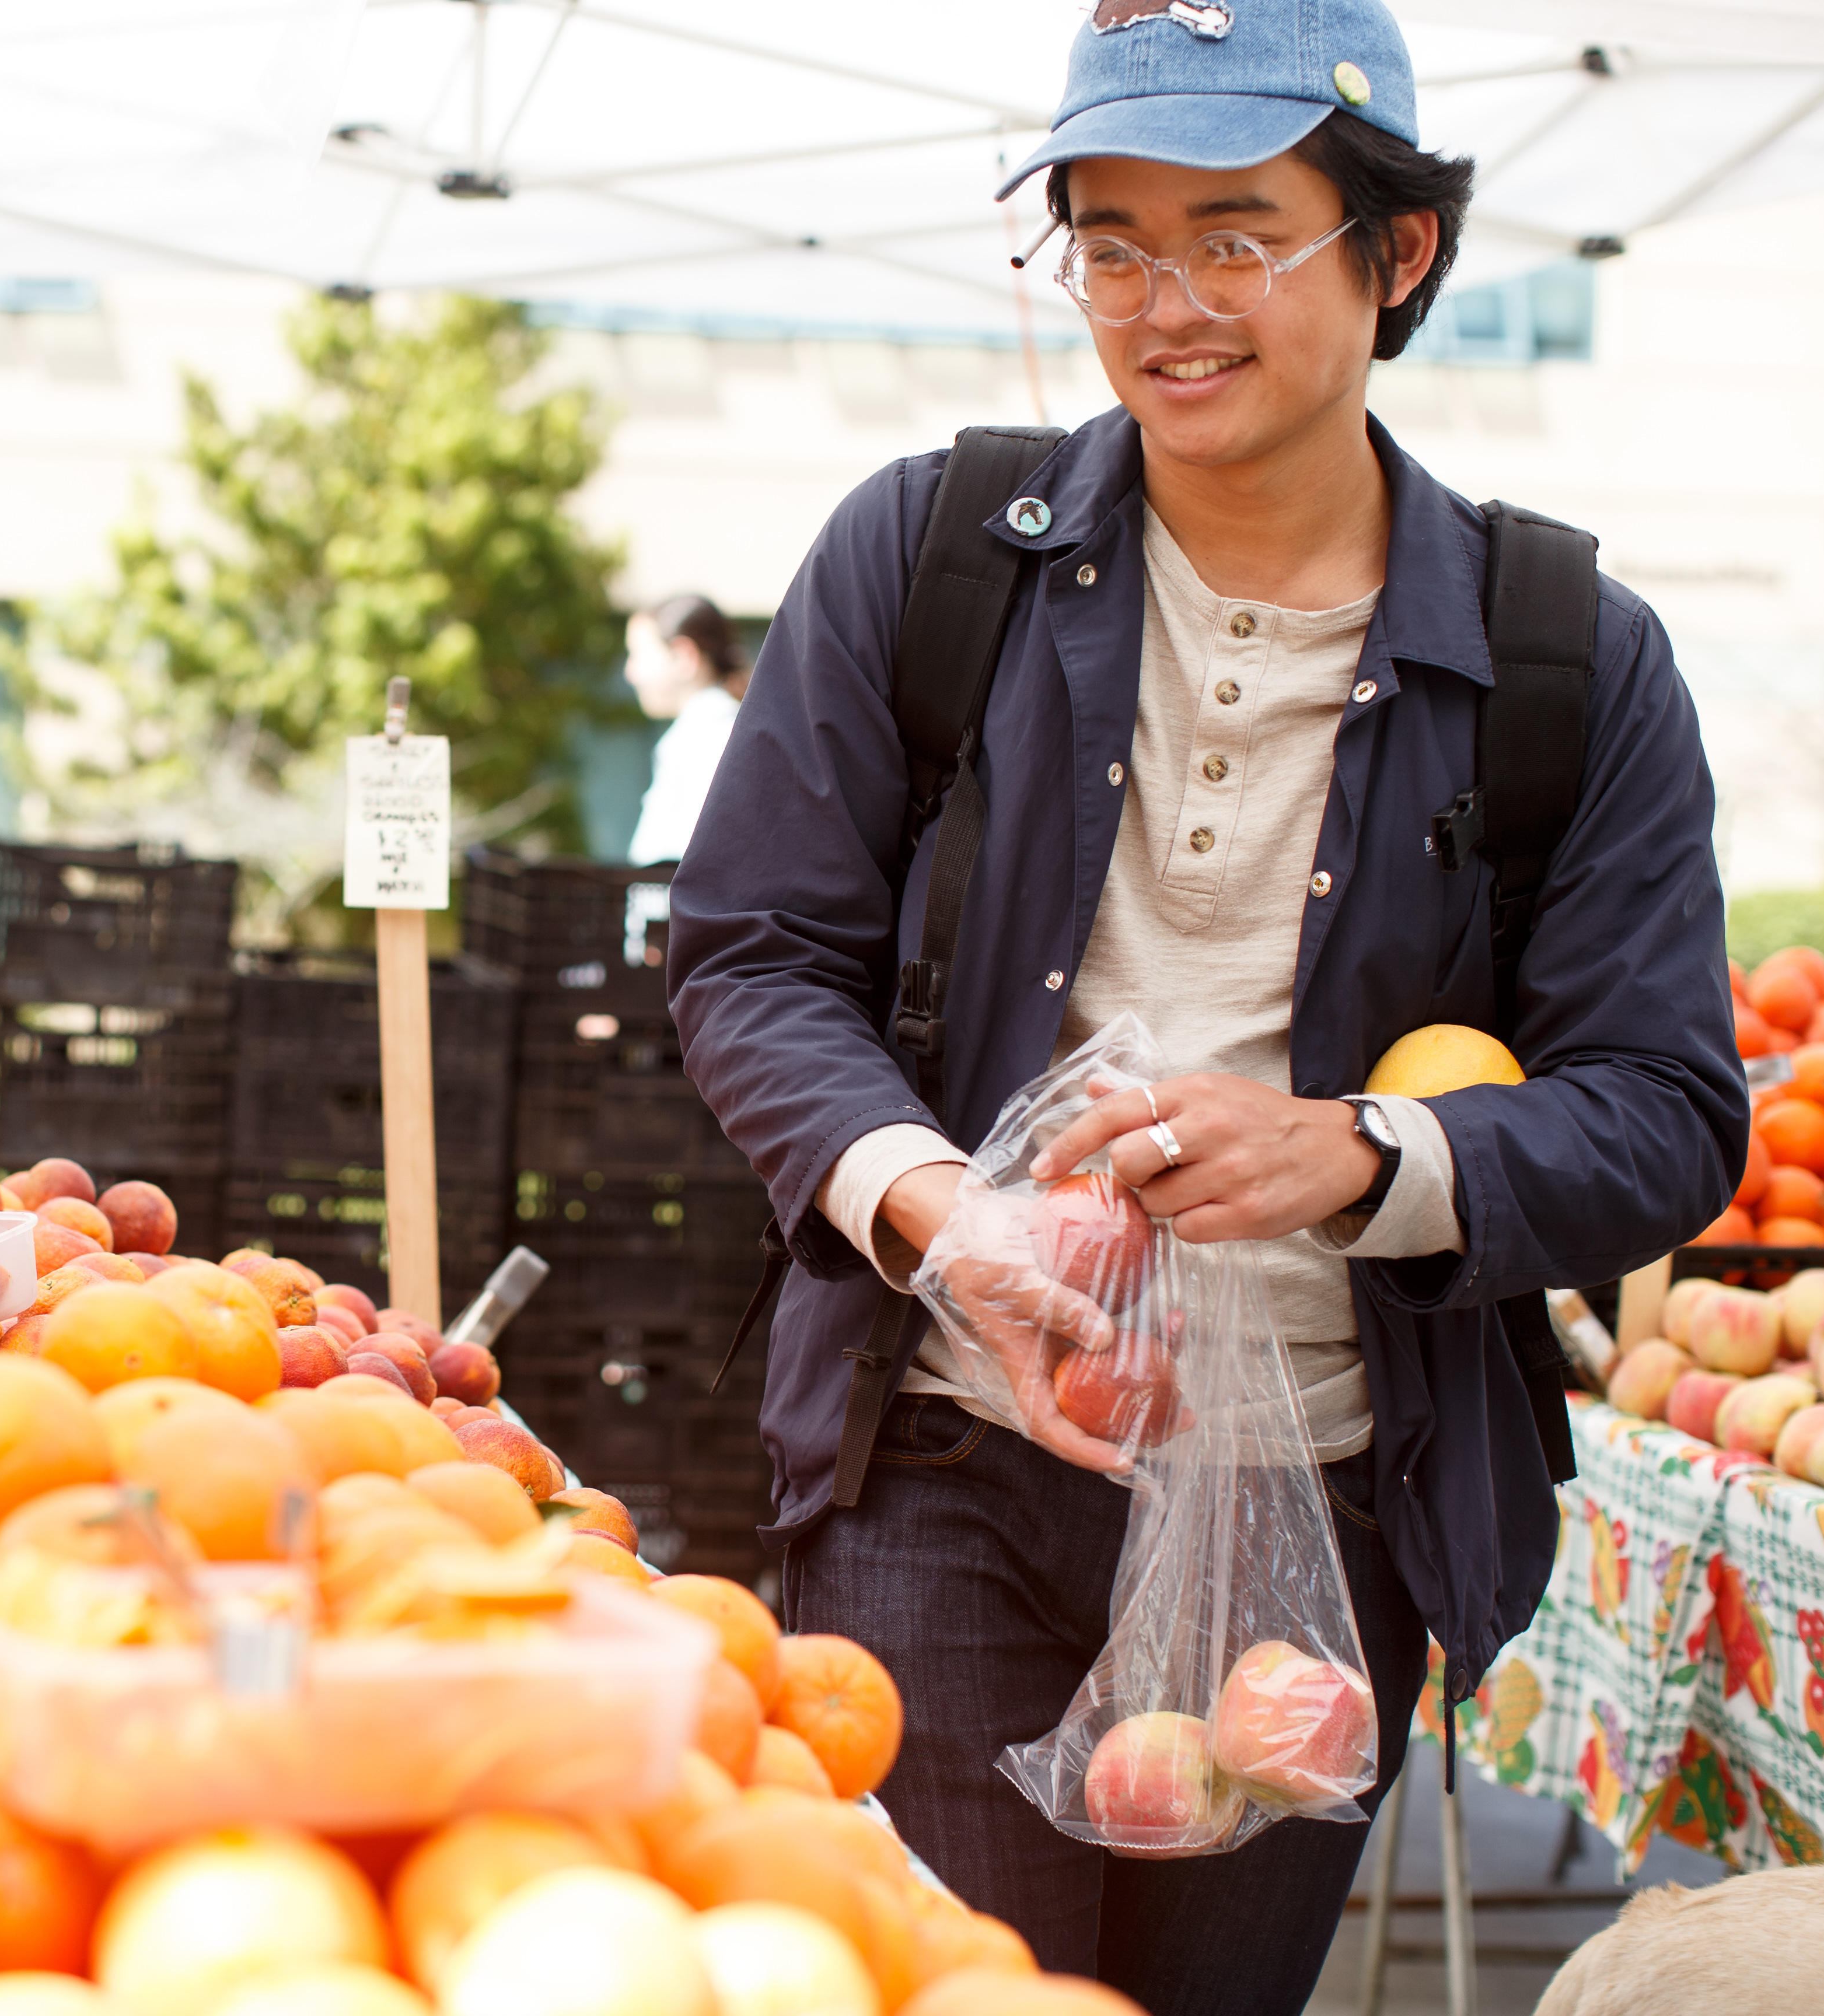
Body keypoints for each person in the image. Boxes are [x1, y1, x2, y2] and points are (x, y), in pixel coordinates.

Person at [666, 4, 1744, 2008]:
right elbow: (747, 953)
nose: (1165, 304)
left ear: (1393, 252)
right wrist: (940, 1211)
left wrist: (1360, 1152)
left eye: (1235, 235)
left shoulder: (1562, 659)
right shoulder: (928, 558)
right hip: (939, 1463)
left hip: (1324, 1511)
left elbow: (1670, 1105)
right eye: (1111, 242)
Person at [623, 594, 749, 867]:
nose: (629, 672)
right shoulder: (705, 735)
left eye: (638, 654)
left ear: (683, 656)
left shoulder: (711, 741)